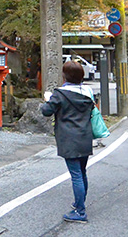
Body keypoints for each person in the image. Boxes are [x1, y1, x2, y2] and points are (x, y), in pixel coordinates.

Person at [40, 61, 95, 224]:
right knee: (82, 172)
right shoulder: (88, 91)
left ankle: (80, 211)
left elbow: (46, 111)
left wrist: (48, 99)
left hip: (69, 139)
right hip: (85, 136)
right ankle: (80, 203)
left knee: (76, 175)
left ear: (65, 75)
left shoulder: (60, 94)